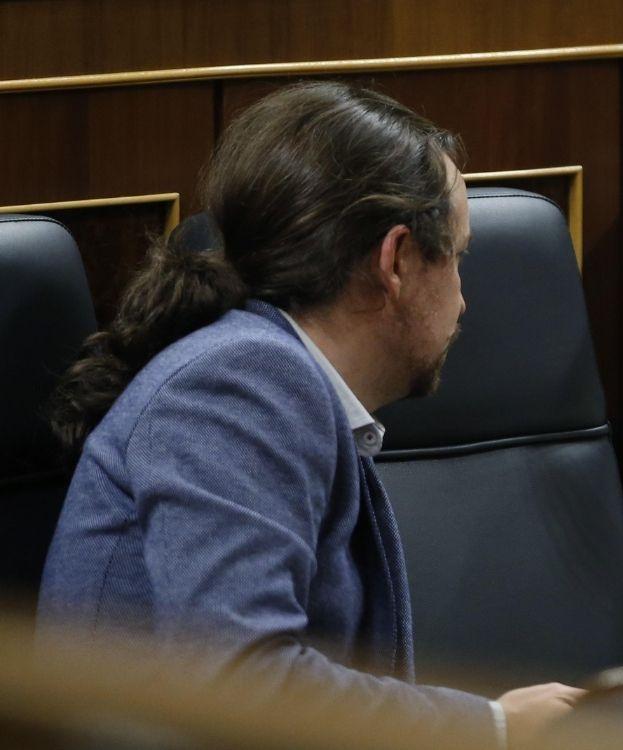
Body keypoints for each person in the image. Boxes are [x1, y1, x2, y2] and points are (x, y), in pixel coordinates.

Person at [38, 81, 582, 747]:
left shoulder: (263, 373)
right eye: (458, 257)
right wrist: (493, 727)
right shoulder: (240, 383)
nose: (465, 301)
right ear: (399, 260)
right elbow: (244, 684)